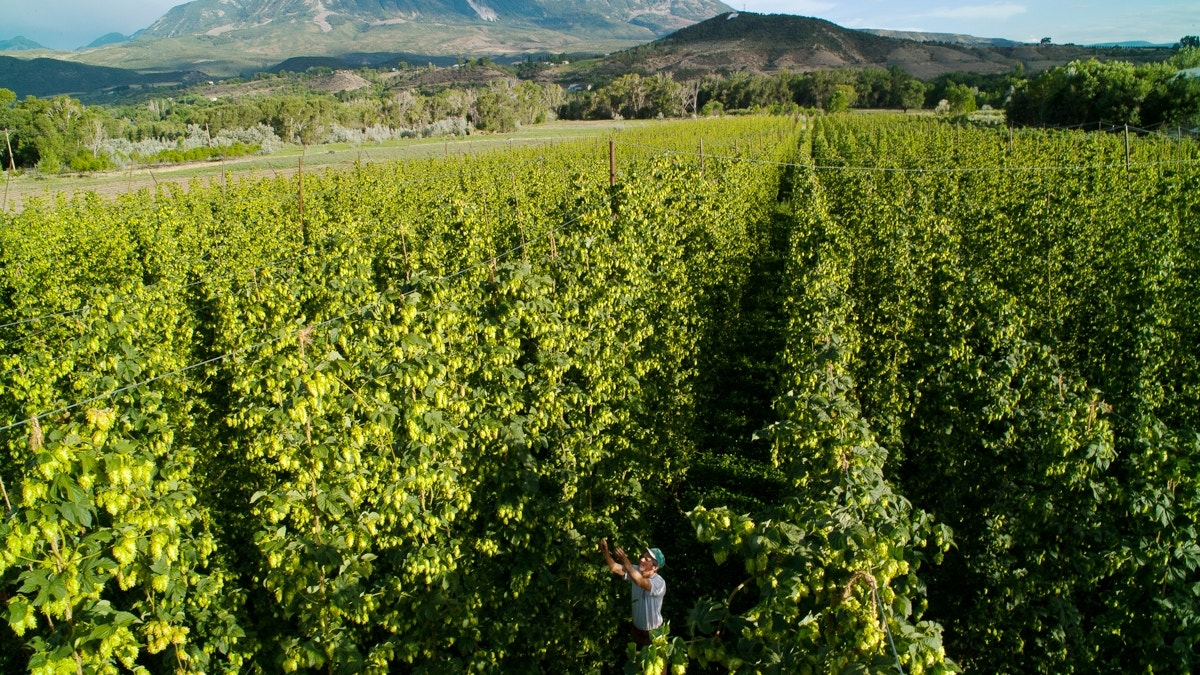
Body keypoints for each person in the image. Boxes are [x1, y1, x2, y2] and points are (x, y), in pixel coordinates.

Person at [600, 538, 666, 648]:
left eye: (647, 559)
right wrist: (605, 551)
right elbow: (614, 567)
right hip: (637, 631)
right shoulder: (635, 571)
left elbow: (640, 581)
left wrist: (624, 559)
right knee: (638, 663)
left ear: (655, 567)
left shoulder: (659, 582)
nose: (642, 560)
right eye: (642, 557)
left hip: (655, 634)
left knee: (658, 664)